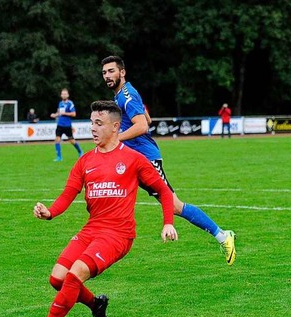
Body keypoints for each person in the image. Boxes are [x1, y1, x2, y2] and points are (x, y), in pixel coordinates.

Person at [28, 101, 178, 317]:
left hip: (118, 234)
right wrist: (50, 212)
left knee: (75, 275)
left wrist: (168, 222)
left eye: (99, 123)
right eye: (91, 123)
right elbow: (68, 194)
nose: (93, 128)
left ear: (115, 127)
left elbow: (163, 190)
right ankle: (96, 304)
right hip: (92, 229)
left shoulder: (134, 159)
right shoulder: (85, 161)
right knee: (57, 278)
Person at [101, 55, 236, 265]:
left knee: (174, 206)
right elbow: (146, 119)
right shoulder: (122, 96)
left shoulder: (126, 95)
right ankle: (103, 241)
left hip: (146, 160)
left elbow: (143, 126)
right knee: (110, 190)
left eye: (111, 71)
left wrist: (115, 138)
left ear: (122, 72)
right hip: (133, 159)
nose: (107, 76)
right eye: (104, 73)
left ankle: (223, 235)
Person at [50, 88, 83, 161]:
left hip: (67, 125)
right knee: (57, 140)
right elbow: (59, 113)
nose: (64, 95)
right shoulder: (60, 103)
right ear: (61, 95)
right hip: (60, 125)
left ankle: (80, 151)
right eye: (62, 94)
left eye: (65, 94)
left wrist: (65, 113)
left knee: (71, 140)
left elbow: (74, 114)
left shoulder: (70, 103)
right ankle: (59, 157)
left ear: (68, 95)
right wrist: (55, 115)